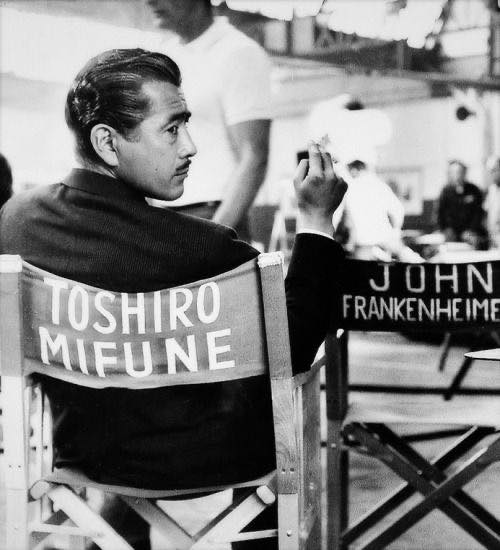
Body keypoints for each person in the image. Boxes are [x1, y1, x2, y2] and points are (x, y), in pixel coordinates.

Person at [0, 49, 346, 549]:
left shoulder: (15, 222)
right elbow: (294, 344)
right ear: (107, 142)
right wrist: (316, 219)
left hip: (84, 456)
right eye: (172, 129)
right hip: (213, 459)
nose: (191, 146)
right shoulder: (201, 248)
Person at [147, 0, 272, 242]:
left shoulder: (239, 52)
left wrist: (214, 237)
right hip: (164, 217)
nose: (149, 1)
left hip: (214, 216)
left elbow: (255, 157)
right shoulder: (164, 55)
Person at [334, 159, 420, 261]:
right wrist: (395, 231)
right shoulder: (380, 185)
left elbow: (340, 217)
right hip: (385, 238)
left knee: (364, 269)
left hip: (363, 242)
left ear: (354, 170)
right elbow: (398, 209)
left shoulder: (349, 187)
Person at [436, 159, 487, 248]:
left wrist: (471, 230)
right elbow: (440, 214)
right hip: (451, 234)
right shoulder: (445, 191)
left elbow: (478, 213)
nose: (457, 175)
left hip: (470, 233)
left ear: (465, 173)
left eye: (460, 172)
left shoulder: (474, 190)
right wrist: (446, 230)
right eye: (454, 172)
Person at [484, 155, 500, 249]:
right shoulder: (491, 190)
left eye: (494, 170)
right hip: (492, 239)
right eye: (489, 171)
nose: (491, 174)